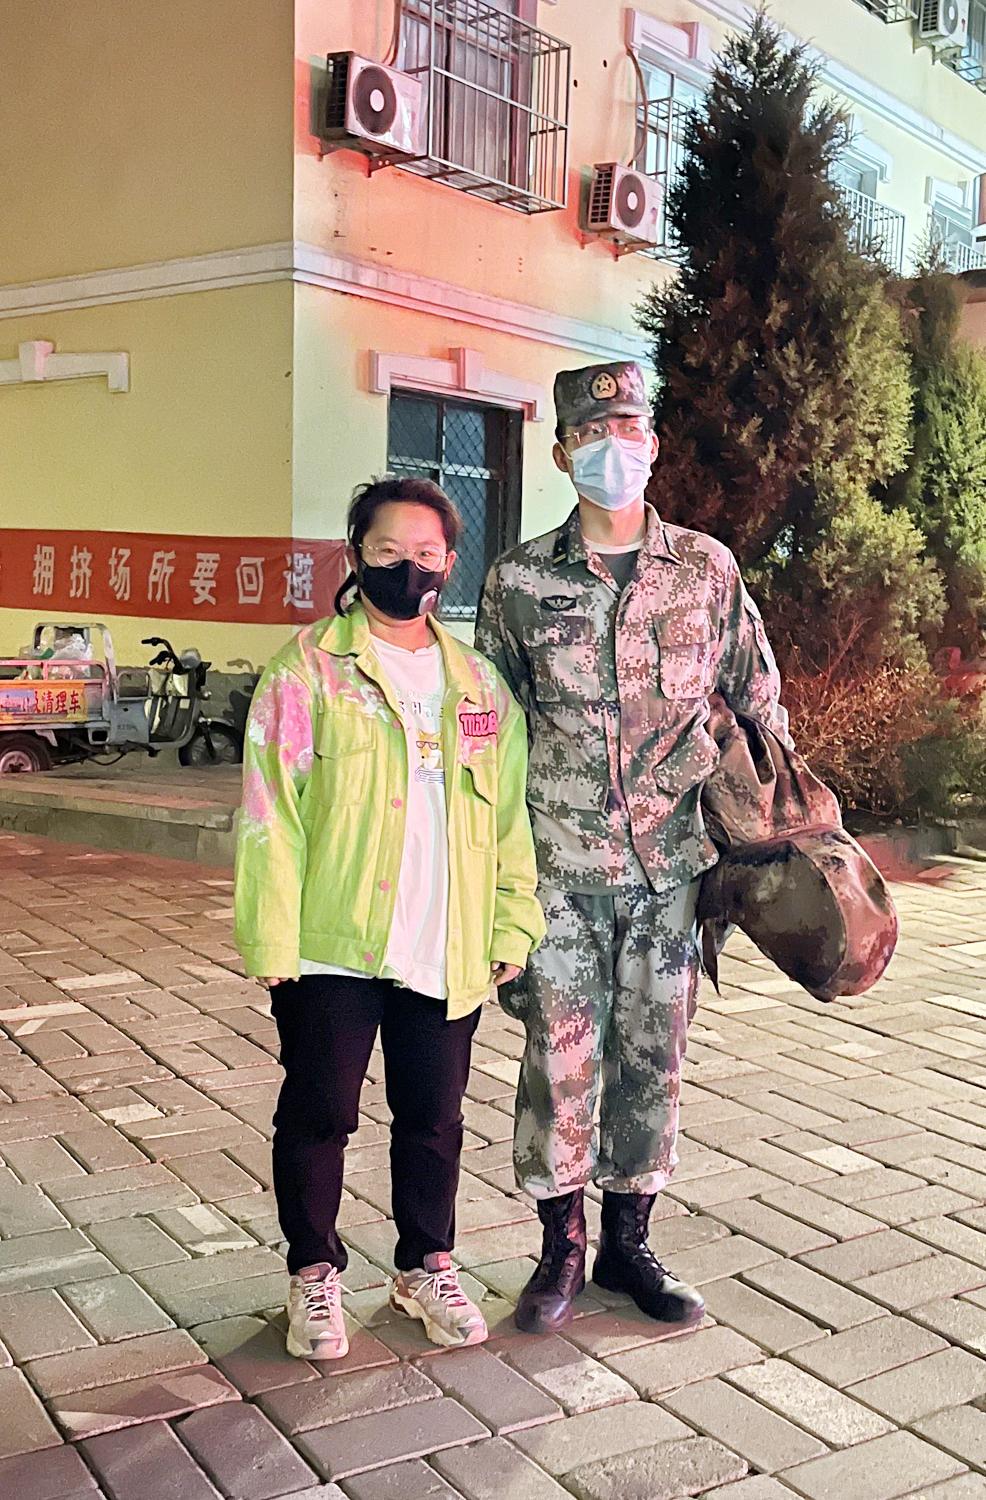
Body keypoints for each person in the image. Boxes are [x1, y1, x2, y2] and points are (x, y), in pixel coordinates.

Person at [475, 361, 789, 1336]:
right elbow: (491, 727)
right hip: (556, 870)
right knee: (558, 1063)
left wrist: (757, 831)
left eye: (625, 430)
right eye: (588, 433)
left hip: (671, 871)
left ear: (650, 444)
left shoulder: (704, 568)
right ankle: (559, 1251)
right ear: (561, 451)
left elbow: (758, 701)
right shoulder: (518, 581)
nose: (609, 448)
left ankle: (629, 1244)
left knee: (653, 1062)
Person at [235, 476, 544, 1360]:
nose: (408, 567)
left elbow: (509, 818)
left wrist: (511, 924)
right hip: (331, 942)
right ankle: (313, 1271)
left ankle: (424, 1265)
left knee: (434, 1118)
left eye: (426, 553)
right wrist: (271, 933)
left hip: (444, 941)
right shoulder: (306, 671)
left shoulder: (477, 684)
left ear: (450, 563)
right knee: (321, 1112)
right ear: (355, 556)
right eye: (387, 551)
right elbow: (270, 815)